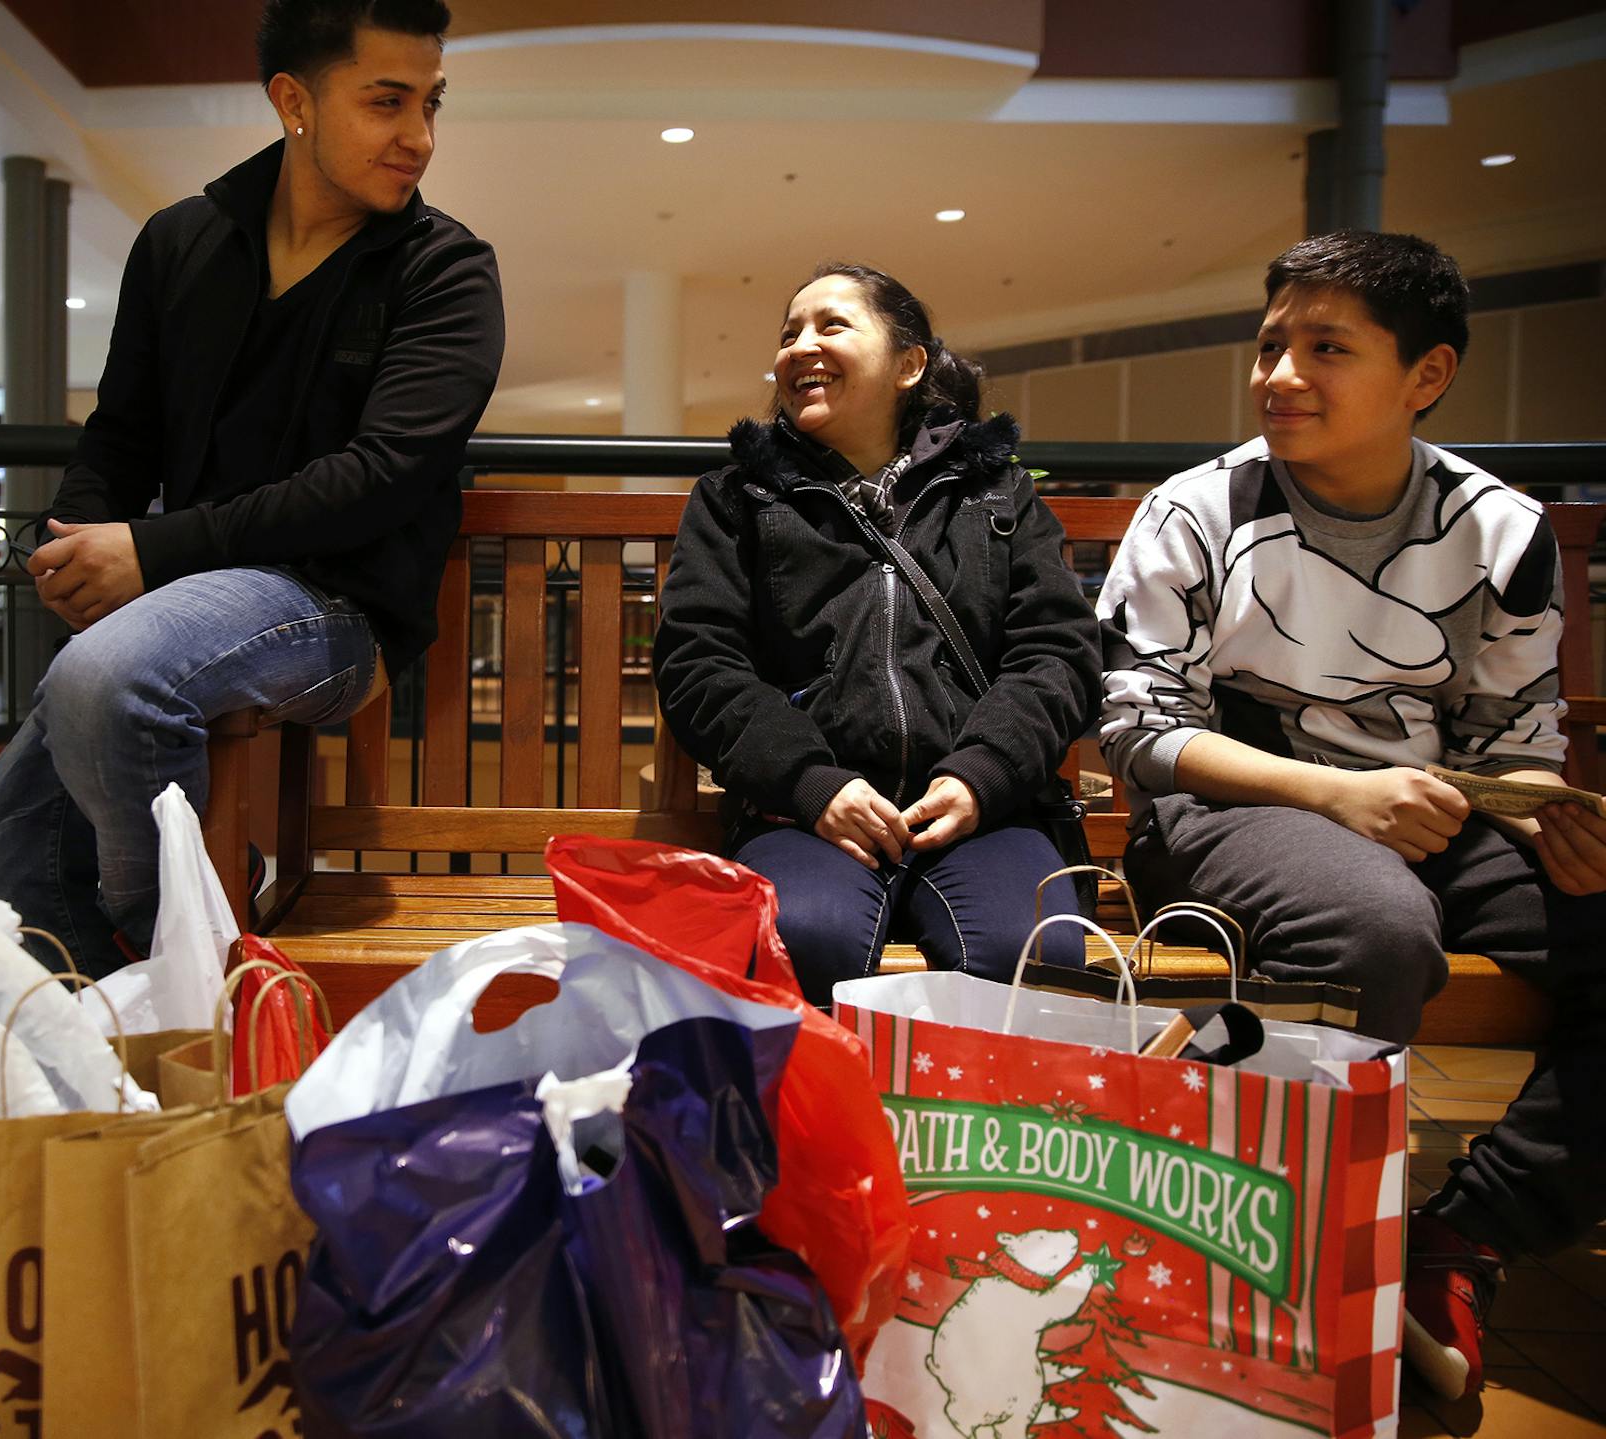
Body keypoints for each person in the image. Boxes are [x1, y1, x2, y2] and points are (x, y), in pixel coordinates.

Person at [1094, 230, 1606, 1403]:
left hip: (1440, 809)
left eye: (1327, 348)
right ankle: (1290, 1260)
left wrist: (1556, 819)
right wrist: (1332, 792)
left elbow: (1509, 741)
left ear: (1426, 375)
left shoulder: (1499, 530)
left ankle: (1461, 1236)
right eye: (1272, 344)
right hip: (1231, 800)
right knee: (1375, 925)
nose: (1281, 374)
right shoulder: (1200, 508)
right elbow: (1140, 730)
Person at [0, 0, 503, 976]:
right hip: (187, 596)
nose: (419, 136)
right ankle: (133, 1018)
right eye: (387, 102)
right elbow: (121, 434)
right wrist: (80, 540)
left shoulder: (445, 270)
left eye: (431, 103)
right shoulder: (180, 243)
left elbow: (377, 481)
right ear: (294, 100)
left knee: (109, 675)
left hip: (341, 608)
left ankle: (192, 955)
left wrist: (150, 551)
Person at [653, 262, 1101, 1006]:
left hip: (977, 811)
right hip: (804, 811)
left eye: (831, 325)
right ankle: (825, 1124)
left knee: (1031, 952)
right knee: (801, 934)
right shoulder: (739, 497)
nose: (800, 346)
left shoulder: (995, 491)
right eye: (789, 332)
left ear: (909, 364)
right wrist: (811, 783)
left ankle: (966, 1127)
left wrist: (980, 775)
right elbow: (700, 662)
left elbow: (1057, 654)